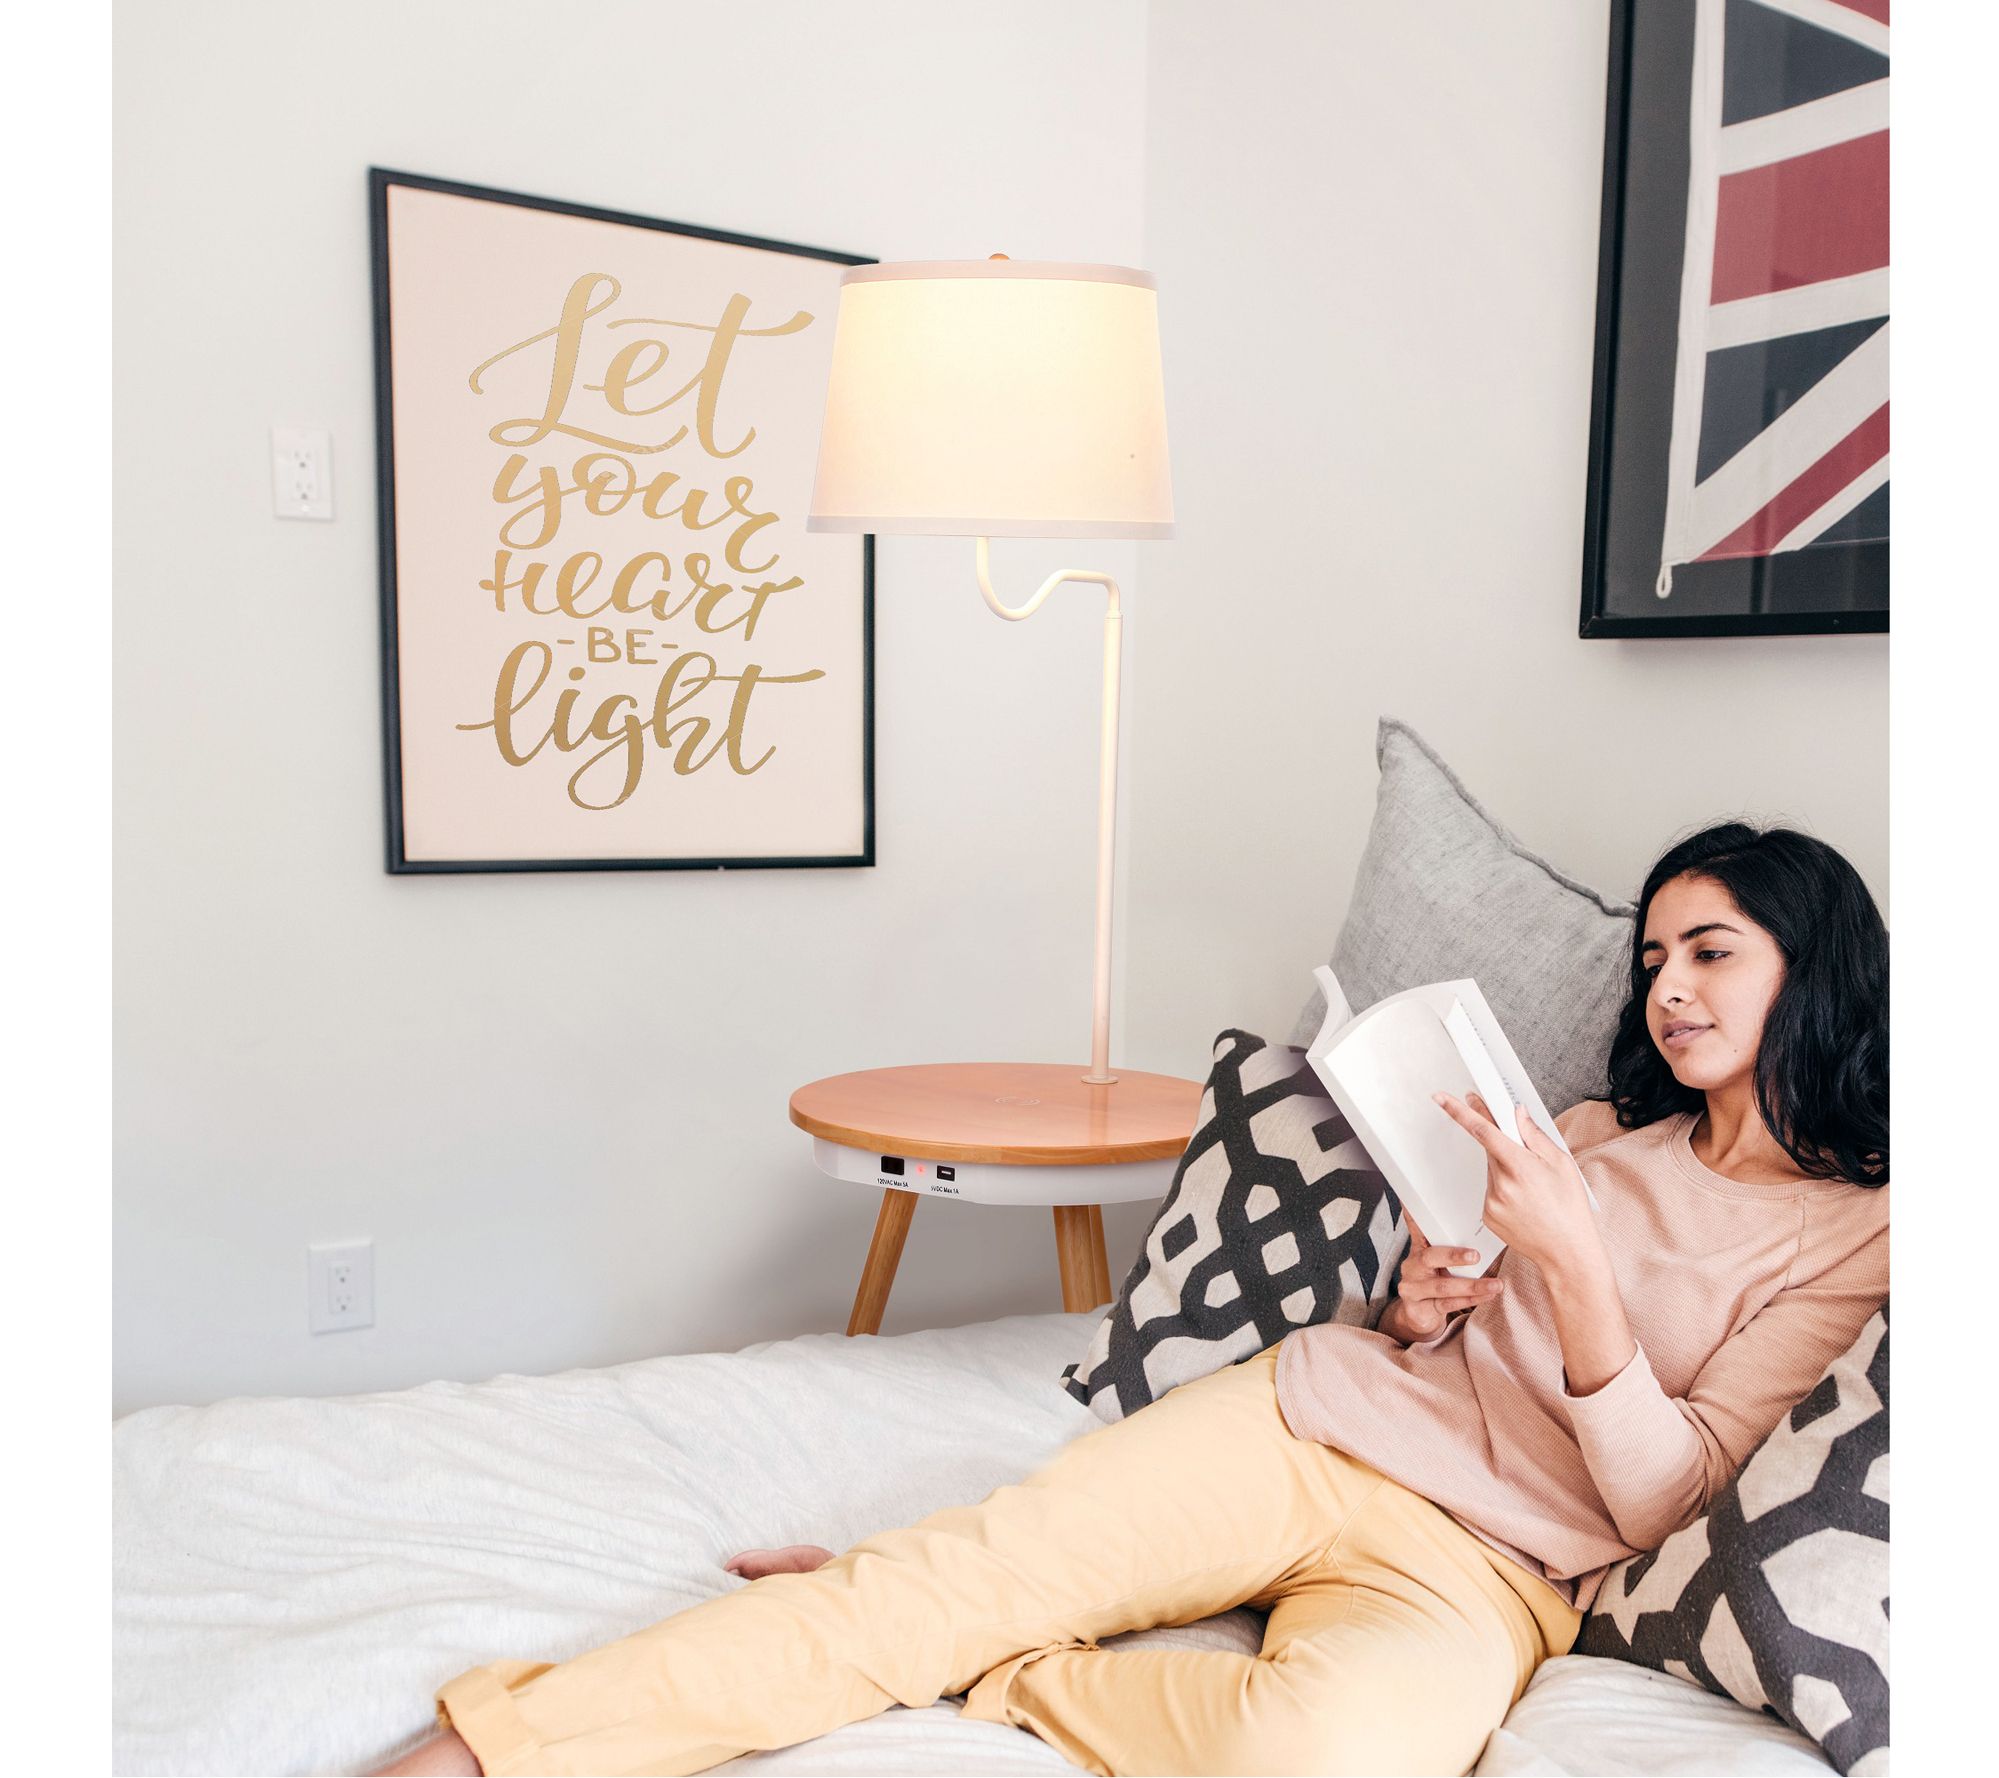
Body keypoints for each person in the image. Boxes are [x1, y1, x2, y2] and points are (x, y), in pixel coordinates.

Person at [375, 822, 1889, 1777]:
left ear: (1811, 970)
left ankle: (1007, 1670)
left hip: (1499, 1566)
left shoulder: (1859, 1230)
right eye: (1654, 957)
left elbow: (1668, 1492)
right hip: (1319, 1424)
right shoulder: (1594, 1130)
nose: (1668, 989)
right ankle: (500, 1746)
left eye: (1711, 953)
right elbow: (1434, 1330)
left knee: (1319, 1755)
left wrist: (1572, 1267)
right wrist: (1419, 1308)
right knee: (932, 1584)